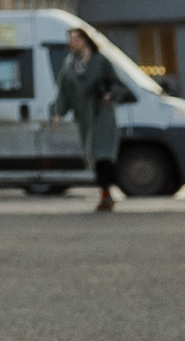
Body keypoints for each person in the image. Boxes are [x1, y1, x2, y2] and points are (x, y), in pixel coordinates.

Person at [54, 23, 130, 212]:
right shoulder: (70, 65)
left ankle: (106, 194)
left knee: (104, 153)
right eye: (71, 39)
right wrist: (58, 112)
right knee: (93, 155)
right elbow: (64, 91)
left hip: (102, 113)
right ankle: (106, 192)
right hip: (84, 116)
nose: (73, 42)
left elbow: (118, 84)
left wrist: (110, 94)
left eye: (76, 38)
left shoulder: (100, 60)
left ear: (86, 40)